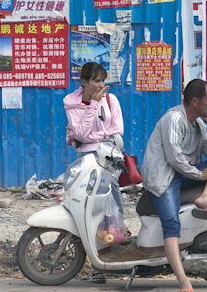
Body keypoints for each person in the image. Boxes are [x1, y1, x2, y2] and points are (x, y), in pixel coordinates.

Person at [141, 79, 207, 292]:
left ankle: (205, 198)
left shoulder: (199, 124)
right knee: (171, 223)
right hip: (164, 178)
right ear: (195, 101)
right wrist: (199, 175)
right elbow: (174, 158)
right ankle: (183, 280)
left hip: (184, 173)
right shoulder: (174, 119)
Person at [63, 62, 126, 283]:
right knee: (89, 208)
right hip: (87, 161)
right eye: (96, 81)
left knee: (110, 205)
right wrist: (92, 105)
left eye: (103, 80)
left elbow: (117, 131)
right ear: (84, 82)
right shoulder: (72, 101)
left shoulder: (112, 100)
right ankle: (98, 262)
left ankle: (115, 252)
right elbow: (80, 132)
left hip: (109, 158)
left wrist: (89, 136)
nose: (101, 85)